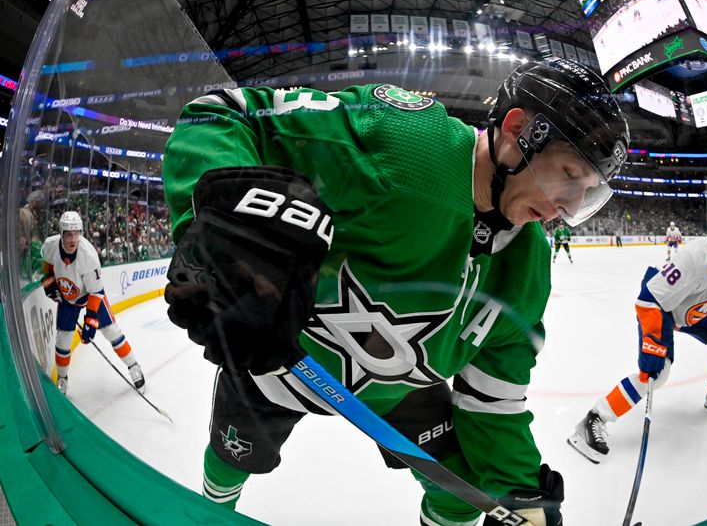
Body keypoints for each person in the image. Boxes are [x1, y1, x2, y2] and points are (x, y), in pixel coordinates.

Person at [162, 58, 630, 525]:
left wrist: (520, 491)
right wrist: (219, 238)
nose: (568, 209)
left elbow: (495, 400)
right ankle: (208, 515)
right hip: (276, 364)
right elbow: (221, 111)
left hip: (400, 391)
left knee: (461, 496)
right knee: (229, 462)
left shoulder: (526, 268)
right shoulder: (403, 142)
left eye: (586, 193)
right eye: (569, 174)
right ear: (518, 130)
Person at [568, 200, 707, 463]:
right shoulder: (694, 257)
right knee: (657, 373)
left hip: (693, 311)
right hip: (660, 308)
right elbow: (648, 297)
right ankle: (595, 417)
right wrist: (652, 340)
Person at [40, 211, 145, 395]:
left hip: (90, 295)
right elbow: (46, 263)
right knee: (63, 340)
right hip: (68, 298)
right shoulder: (50, 245)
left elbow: (96, 292)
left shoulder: (88, 256)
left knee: (111, 331)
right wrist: (49, 280)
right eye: (68, 234)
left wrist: (90, 321)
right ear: (62, 233)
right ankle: (62, 378)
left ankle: (133, 366)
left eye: (76, 233)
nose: (73, 239)